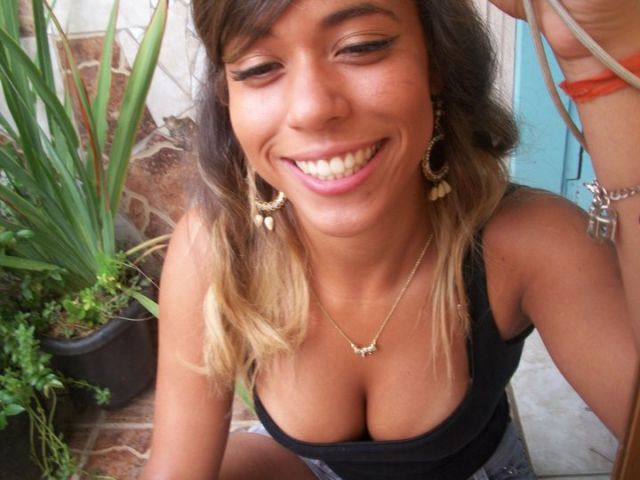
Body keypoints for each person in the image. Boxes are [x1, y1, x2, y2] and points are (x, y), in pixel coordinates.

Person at [143, 1, 640, 479]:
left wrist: (597, 54)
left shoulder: (530, 244)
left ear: (436, 62)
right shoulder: (216, 248)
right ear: (227, 96)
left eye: (361, 46)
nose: (312, 109)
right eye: (258, 68)